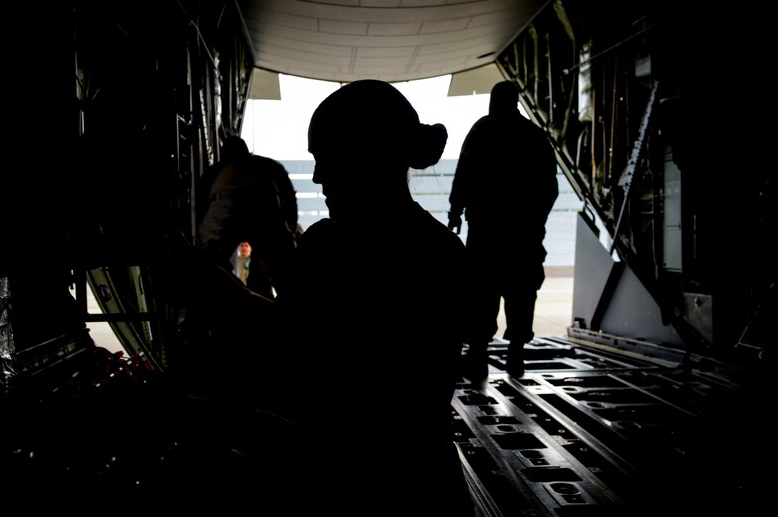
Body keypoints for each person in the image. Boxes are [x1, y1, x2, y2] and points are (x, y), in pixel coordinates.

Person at [275, 79, 476, 516]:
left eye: (324, 158)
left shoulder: (326, 248)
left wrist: (220, 291)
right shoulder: (443, 251)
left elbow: (295, 357)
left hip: (345, 483)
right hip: (427, 482)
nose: (317, 176)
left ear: (363, 157)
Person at [448, 80, 559, 379]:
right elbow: (550, 187)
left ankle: (479, 355)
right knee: (522, 292)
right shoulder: (535, 136)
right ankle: (515, 356)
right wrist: (536, 221)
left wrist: (455, 211)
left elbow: (464, 174)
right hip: (524, 235)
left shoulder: (481, 131)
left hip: (485, 231)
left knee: (482, 291)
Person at [195, 136, 298, 298]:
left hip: (224, 222)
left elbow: (200, 206)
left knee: (215, 274)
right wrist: (286, 233)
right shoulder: (270, 166)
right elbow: (289, 201)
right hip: (266, 217)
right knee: (285, 278)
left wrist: (205, 243)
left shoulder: (214, 173)